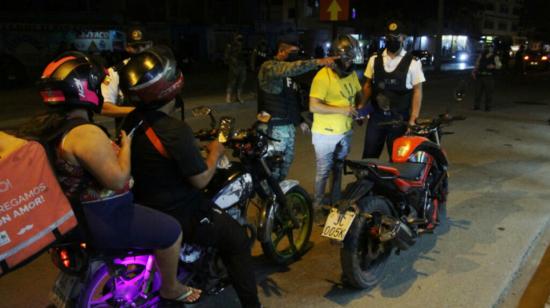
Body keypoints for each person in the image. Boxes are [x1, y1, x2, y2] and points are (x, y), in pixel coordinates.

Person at [19, 53, 200, 304]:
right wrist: (125, 145)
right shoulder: (84, 133)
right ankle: (171, 287)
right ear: (86, 89)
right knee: (171, 230)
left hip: (70, 216)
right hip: (105, 217)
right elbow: (118, 180)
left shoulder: (44, 127)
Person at [119, 46, 262, 308]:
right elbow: (200, 180)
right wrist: (215, 152)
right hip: (179, 212)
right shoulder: (174, 130)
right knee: (237, 240)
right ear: (170, 87)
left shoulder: (130, 121)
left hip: (143, 207)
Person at [257, 39, 336, 182]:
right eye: (291, 52)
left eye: (297, 52)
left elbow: (292, 100)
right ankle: (267, 198)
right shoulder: (269, 68)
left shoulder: (290, 77)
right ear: (280, 51)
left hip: (288, 127)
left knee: (285, 165)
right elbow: (291, 68)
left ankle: (276, 198)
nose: (295, 56)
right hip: (273, 128)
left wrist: (300, 121)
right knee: (272, 168)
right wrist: (318, 62)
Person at [309, 34, 363, 213]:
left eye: (351, 59)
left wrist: (360, 111)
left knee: (338, 168)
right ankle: (316, 208)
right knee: (323, 172)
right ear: (336, 57)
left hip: (345, 131)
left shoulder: (351, 74)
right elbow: (313, 105)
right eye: (346, 60)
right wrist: (343, 110)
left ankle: (334, 202)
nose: (349, 63)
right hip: (325, 134)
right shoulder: (323, 76)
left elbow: (357, 94)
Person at [361, 22, 426, 159]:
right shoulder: (374, 60)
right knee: (368, 159)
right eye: (389, 36)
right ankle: (368, 180)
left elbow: (417, 91)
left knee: (398, 161)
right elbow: (367, 85)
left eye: (397, 36)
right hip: (377, 118)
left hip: (400, 120)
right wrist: (361, 107)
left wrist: (413, 119)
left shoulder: (413, 62)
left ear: (404, 38)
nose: (393, 40)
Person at [100, 30, 153, 124]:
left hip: (160, 130)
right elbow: (104, 108)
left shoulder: (160, 67)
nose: (140, 50)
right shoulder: (114, 72)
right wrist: (139, 112)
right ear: (127, 47)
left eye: (144, 45)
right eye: (135, 47)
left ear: (151, 45)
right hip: (129, 134)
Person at [472, 44, 501, 112]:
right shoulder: (481, 55)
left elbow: (499, 65)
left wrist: (493, 66)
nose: (490, 49)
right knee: (477, 92)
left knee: (488, 93)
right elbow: (477, 64)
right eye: (489, 48)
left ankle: (487, 107)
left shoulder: (495, 56)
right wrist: (474, 71)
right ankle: (476, 106)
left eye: (491, 48)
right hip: (480, 76)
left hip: (489, 76)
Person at [224, 33, 248, 103]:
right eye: (238, 39)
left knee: (241, 82)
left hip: (242, 66)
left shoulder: (243, 46)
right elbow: (226, 56)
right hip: (234, 66)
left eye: (241, 39)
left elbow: (246, 55)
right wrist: (231, 61)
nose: (240, 41)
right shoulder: (230, 46)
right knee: (232, 82)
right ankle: (228, 97)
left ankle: (238, 97)